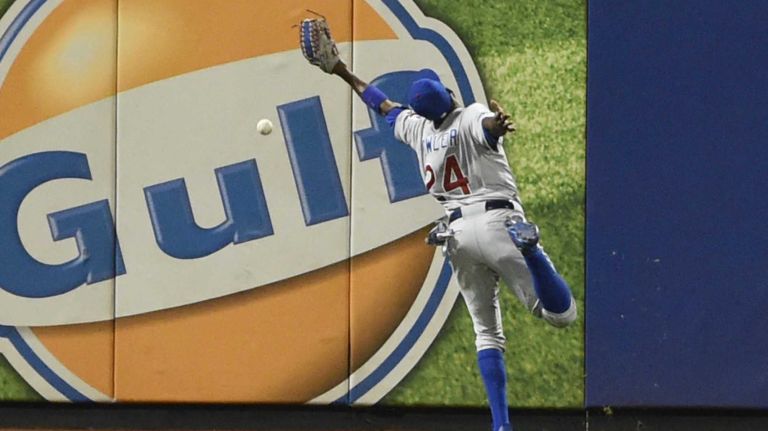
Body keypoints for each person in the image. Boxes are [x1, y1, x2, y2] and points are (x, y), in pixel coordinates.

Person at [300, 18, 577, 431]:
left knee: (487, 332)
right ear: (448, 95)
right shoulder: (469, 116)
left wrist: (340, 69)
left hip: (457, 236)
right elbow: (484, 127)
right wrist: (497, 126)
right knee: (561, 316)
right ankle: (532, 250)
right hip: (501, 222)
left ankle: (501, 425)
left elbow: (381, 104)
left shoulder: (417, 129)